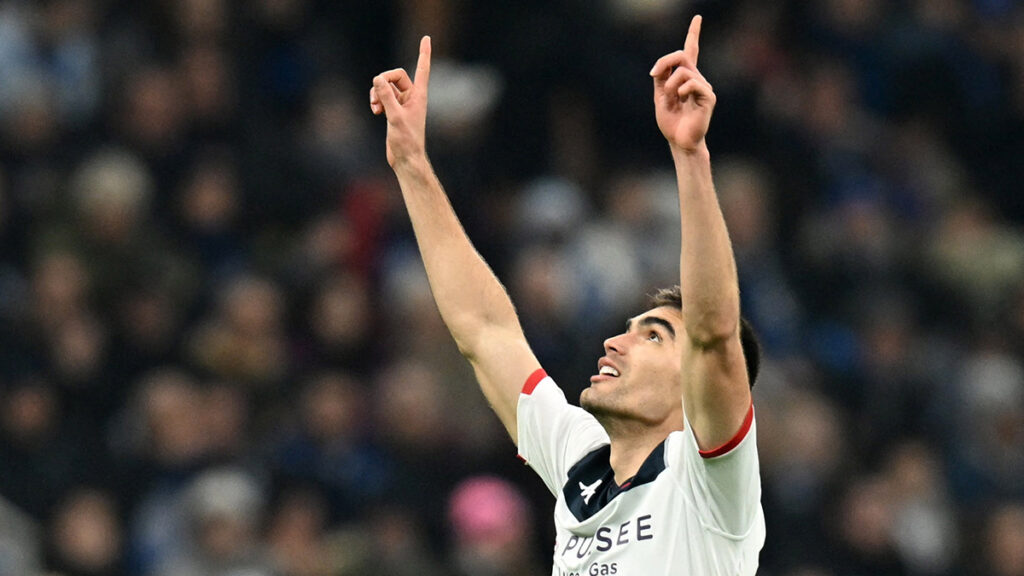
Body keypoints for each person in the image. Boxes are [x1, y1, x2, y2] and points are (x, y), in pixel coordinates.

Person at [370, 15, 765, 575]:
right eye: (630, 327)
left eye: (654, 335)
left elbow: (713, 332)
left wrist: (690, 157)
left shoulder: (710, 483)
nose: (616, 342)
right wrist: (412, 165)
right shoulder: (581, 461)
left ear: (695, 383)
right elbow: (485, 330)